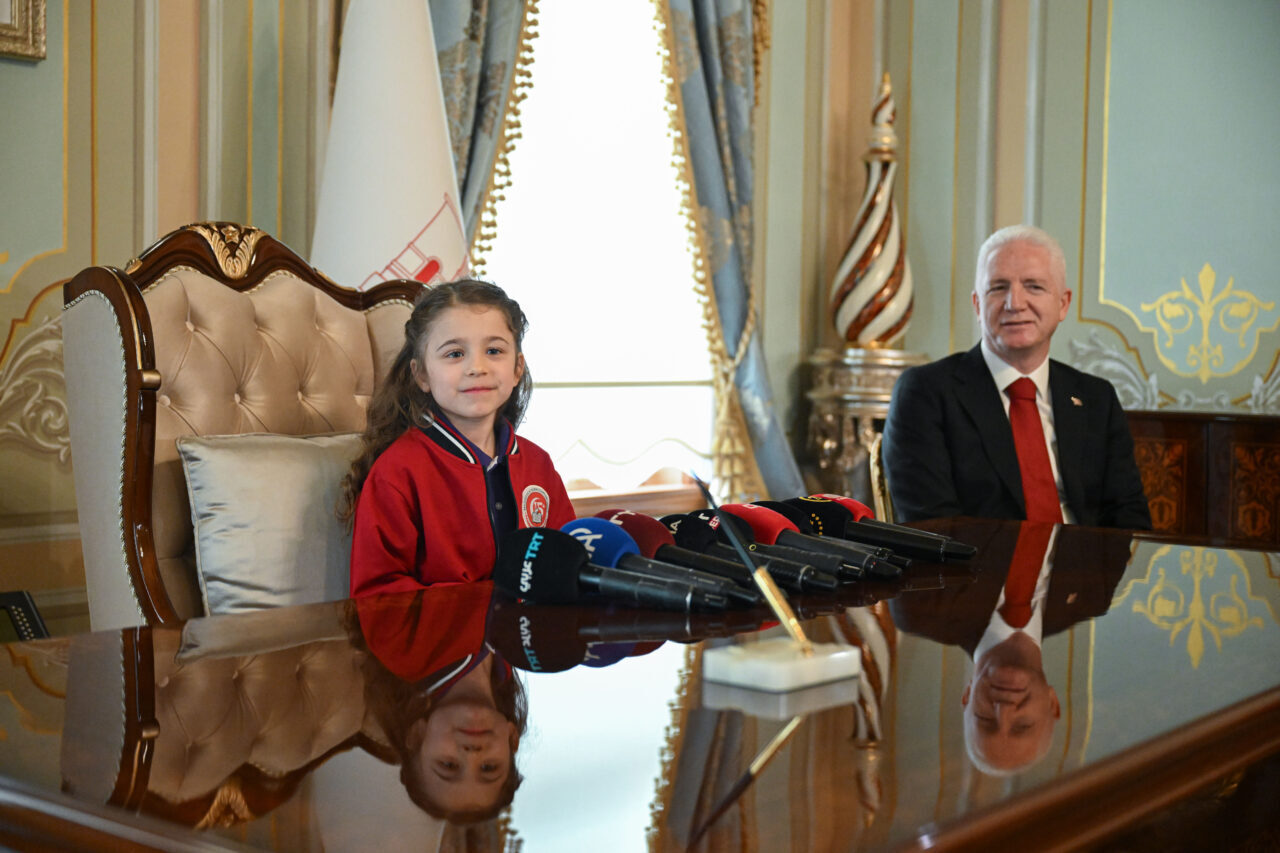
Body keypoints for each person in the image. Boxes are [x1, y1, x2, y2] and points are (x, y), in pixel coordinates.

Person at [882, 225, 1151, 528]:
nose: (1015, 303)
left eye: (1034, 286)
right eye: (998, 287)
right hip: (978, 572)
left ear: (1063, 303)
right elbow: (933, 524)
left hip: (1083, 570)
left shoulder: (1095, 398)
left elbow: (1129, 517)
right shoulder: (926, 393)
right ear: (977, 305)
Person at [343, 280, 574, 596]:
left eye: (494, 351)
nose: (477, 367)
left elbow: (565, 565)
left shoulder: (538, 464)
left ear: (517, 367)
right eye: (454, 354)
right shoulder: (397, 474)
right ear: (422, 374)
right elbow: (379, 599)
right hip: (442, 643)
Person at [889, 521, 1132, 774]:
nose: (1004, 709)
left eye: (985, 720)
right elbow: (1119, 510)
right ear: (1053, 704)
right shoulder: (1093, 597)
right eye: (1022, 726)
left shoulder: (921, 609)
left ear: (966, 696)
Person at [354, 582, 527, 823]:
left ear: (416, 736)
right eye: (489, 768)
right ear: (511, 738)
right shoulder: (524, 644)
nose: (472, 754)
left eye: (448, 765)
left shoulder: (399, 643)